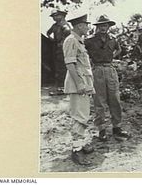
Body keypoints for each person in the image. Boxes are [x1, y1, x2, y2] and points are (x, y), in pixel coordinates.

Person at [85, 15, 130, 142]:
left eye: (105, 25)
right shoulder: (89, 40)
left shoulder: (113, 39)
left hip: (110, 69)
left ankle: (117, 127)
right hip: (97, 69)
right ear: (97, 27)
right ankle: (101, 129)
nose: (103, 28)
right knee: (99, 101)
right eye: (101, 26)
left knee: (115, 99)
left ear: (109, 27)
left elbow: (119, 49)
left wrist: (111, 56)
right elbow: (83, 52)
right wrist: (90, 62)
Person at [62, 14, 95, 166]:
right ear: (80, 25)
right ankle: (76, 150)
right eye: (86, 25)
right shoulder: (71, 40)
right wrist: (80, 84)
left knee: (83, 115)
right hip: (78, 85)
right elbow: (70, 64)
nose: (88, 28)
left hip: (83, 83)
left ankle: (80, 144)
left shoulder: (78, 41)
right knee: (79, 116)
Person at [47, 10, 71, 95]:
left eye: (56, 15)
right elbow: (48, 33)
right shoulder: (54, 26)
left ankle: (64, 87)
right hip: (56, 48)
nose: (54, 17)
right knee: (58, 67)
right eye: (53, 16)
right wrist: (52, 39)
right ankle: (60, 87)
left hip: (63, 49)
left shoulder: (64, 25)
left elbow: (69, 33)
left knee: (63, 67)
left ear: (62, 16)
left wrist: (63, 43)